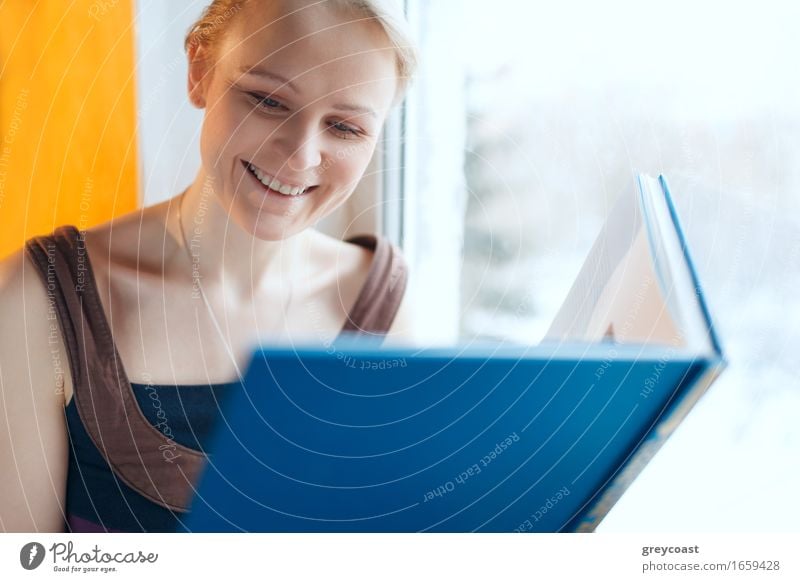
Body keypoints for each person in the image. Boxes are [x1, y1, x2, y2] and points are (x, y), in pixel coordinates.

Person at [0, 0, 418, 532]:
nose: (299, 155)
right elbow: (27, 565)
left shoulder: (384, 301)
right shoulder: (38, 299)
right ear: (200, 70)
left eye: (345, 128)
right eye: (266, 100)